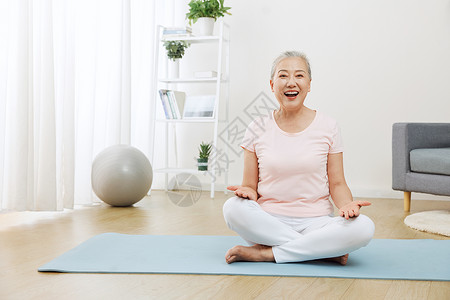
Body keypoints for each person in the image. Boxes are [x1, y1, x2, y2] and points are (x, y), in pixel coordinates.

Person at [223, 51, 375, 265]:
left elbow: (338, 183)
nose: (291, 83)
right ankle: (320, 250)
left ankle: (266, 253)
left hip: (317, 223)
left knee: (364, 227)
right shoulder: (256, 127)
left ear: (309, 84)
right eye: (283, 76)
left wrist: (347, 206)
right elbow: (249, 185)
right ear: (272, 84)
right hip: (268, 222)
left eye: (299, 76)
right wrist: (246, 192)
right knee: (231, 208)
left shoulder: (328, 126)